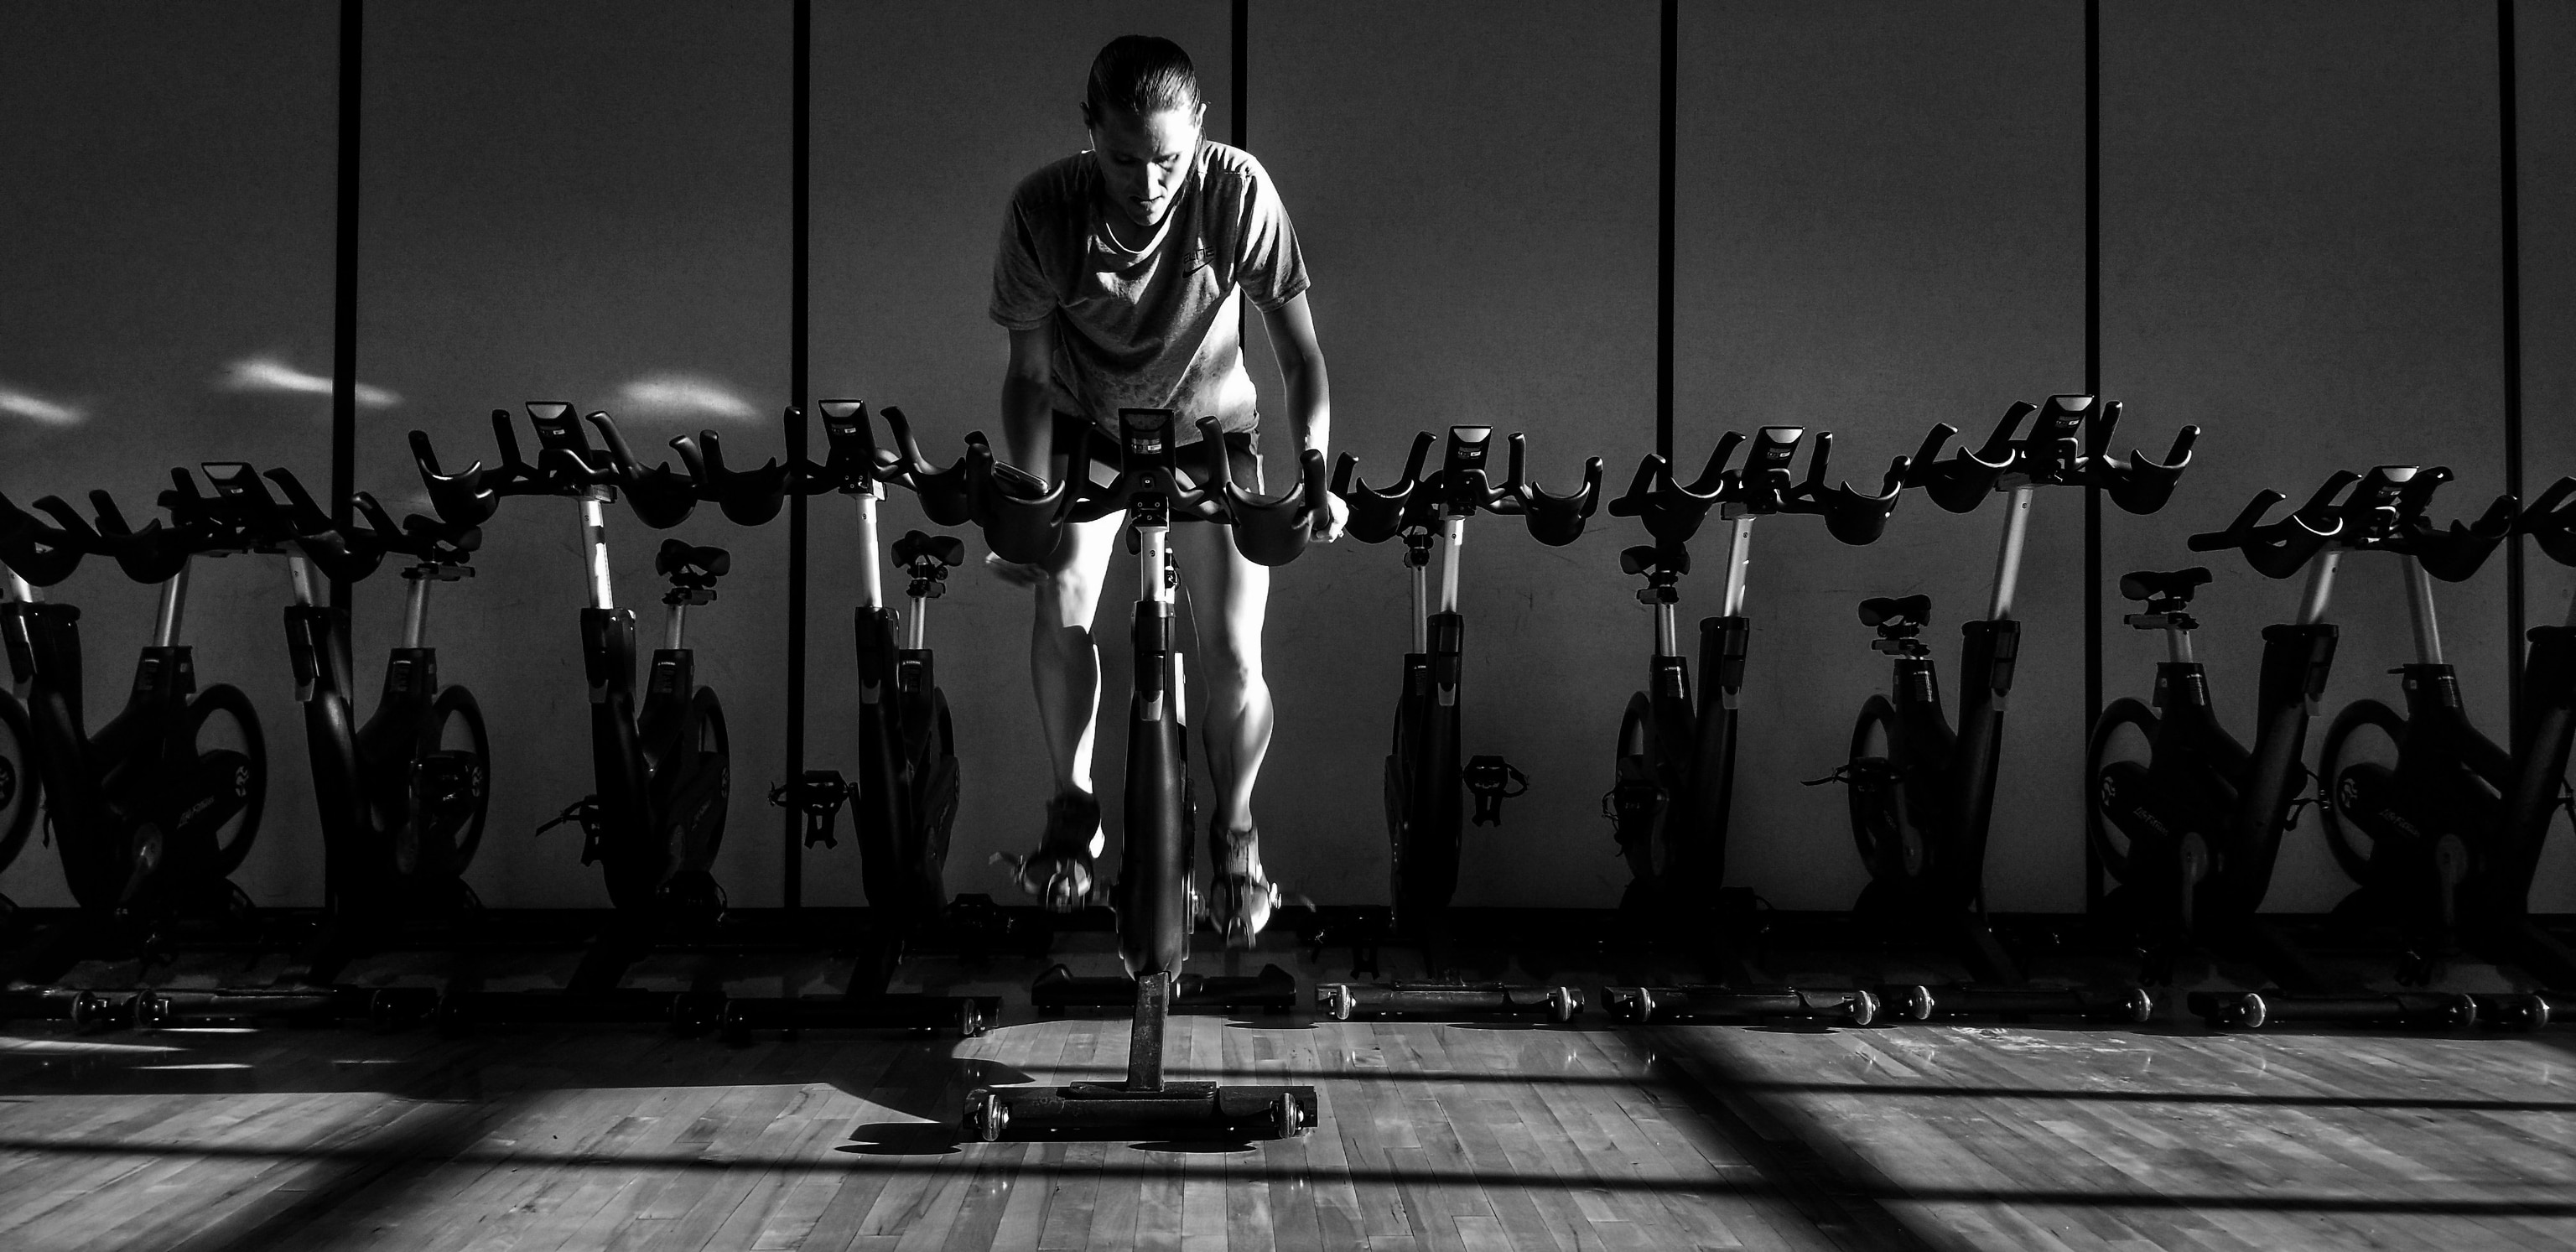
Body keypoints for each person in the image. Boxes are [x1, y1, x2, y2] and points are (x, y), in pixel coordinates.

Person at [985, 34, 1340, 945]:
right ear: (1089, 132)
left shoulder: (1235, 191)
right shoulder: (1044, 212)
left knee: (1230, 650)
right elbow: (1027, 377)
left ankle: (1237, 833)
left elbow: (1300, 353)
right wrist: (1028, 500)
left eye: (1169, 160)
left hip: (1215, 435)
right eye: (1125, 158)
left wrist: (1314, 470)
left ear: (1202, 135)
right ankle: (1072, 812)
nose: (1148, 182)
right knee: (1060, 599)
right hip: (1087, 431)